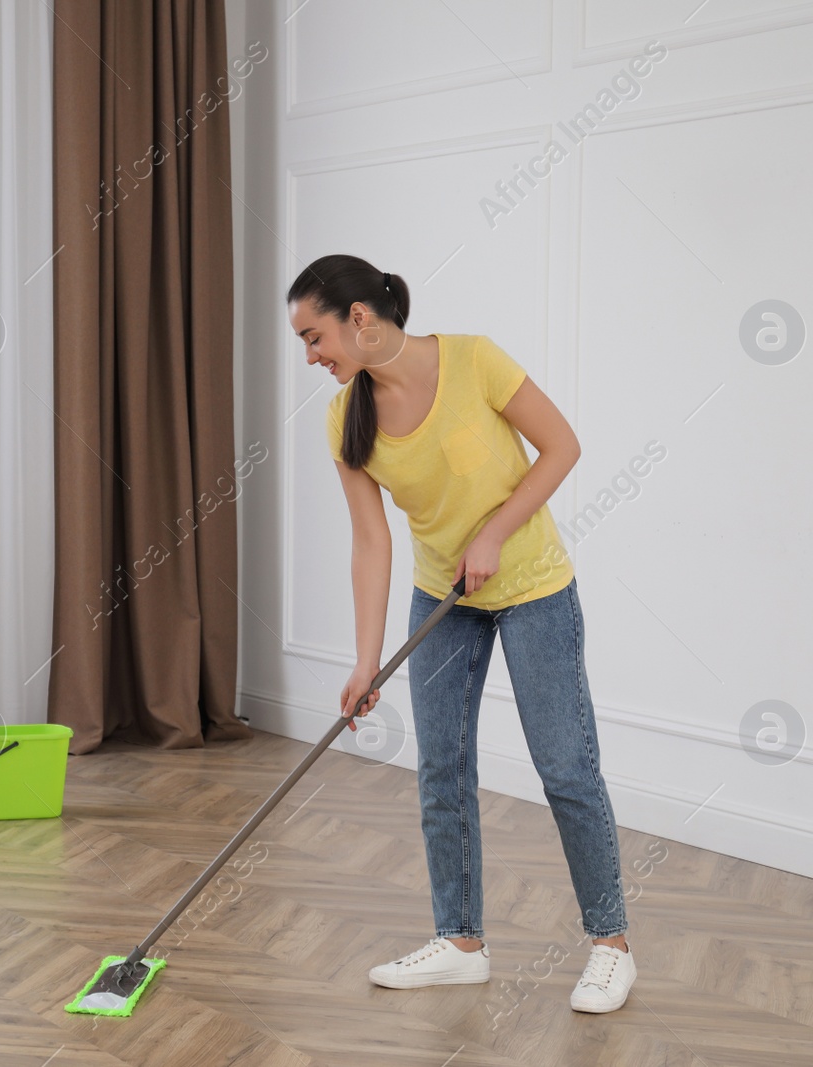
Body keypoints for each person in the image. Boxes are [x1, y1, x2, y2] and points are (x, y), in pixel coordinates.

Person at [286, 253, 636, 1013]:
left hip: (533, 588)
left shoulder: (475, 359)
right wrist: (365, 660)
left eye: (315, 337)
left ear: (359, 318)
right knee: (440, 767)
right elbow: (371, 543)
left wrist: (497, 531)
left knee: (565, 767)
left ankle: (610, 945)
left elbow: (563, 446)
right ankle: (461, 941)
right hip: (442, 598)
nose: (312, 357)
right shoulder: (346, 418)